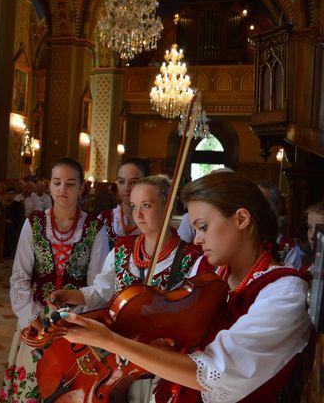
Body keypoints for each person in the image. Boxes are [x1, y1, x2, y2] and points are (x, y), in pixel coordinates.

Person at [59, 172, 312, 402]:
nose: (198, 239)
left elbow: (214, 373)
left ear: (242, 218)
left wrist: (112, 341)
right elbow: (175, 338)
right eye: (194, 229)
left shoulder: (284, 292)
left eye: (203, 227)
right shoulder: (206, 268)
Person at [48, 175, 204, 402]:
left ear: (168, 205)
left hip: (158, 366)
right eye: (133, 206)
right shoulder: (122, 249)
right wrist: (69, 295)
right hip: (114, 358)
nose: (137, 214)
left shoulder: (191, 260)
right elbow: (102, 291)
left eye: (146, 206)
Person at [0, 158, 110, 403]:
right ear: (49, 186)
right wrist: (33, 319)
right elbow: (19, 277)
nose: (63, 190)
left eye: (70, 184)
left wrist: (72, 322)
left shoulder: (96, 228)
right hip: (35, 322)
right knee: (30, 388)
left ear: (81, 188)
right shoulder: (34, 224)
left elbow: (98, 285)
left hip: (76, 327)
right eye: (57, 183)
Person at [98, 157, 149, 247]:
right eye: (121, 181)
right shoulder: (104, 219)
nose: (126, 188)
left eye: (133, 182)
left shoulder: (153, 221)